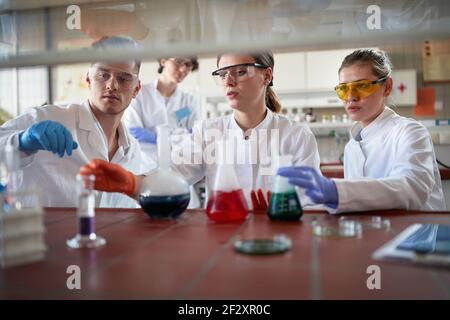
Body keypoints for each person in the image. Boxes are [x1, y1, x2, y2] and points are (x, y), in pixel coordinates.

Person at [80, 51, 321, 210]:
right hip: (222, 239)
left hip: (279, 240)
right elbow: (171, 176)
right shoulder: (209, 132)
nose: (228, 82)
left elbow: (312, 202)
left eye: (239, 72)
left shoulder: (296, 136)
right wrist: (131, 183)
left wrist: (279, 210)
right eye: (222, 74)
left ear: (266, 75)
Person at [277, 48, 445, 213]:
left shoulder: (410, 132)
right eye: (344, 89)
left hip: (416, 237)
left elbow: (412, 188)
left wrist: (335, 191)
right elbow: (358, 205)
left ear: (386, 87)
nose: (351, 96)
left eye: (362, 86)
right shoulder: (352, 147)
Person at [0, 36, 151, 207]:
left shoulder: (133, 152)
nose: (112, 85)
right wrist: (22, 142)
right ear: (88, 79)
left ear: (136, 88)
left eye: (124, 78)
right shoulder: (45, 117)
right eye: (103, 75)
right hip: (40, 233)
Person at [123, 56, 201, 163]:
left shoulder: (189, 101)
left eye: (188, 65)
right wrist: (174, 138)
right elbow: (133, 132)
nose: (183, 69)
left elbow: (194, 136)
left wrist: (159, 138)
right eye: (178, 61)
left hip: (179, 165)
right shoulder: (139, 95)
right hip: (145, 163)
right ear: (163, 61)